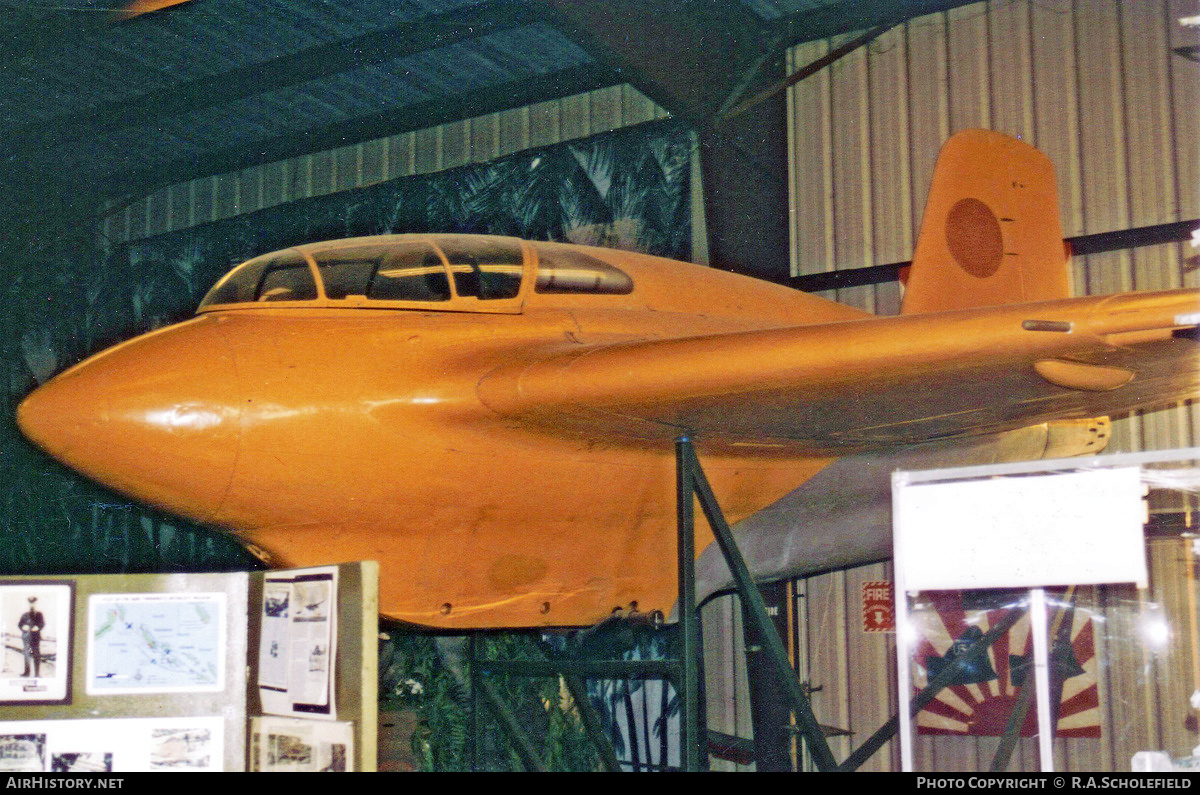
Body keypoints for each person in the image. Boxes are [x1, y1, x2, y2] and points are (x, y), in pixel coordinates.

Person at [19, 597, 44, 678]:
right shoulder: (24, 615)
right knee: (26, 654)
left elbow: (42, 623)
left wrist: (38, 627)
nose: (32, 605)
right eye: (30, 603)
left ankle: (37, 674)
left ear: (36, 604)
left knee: (36, 655)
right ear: (28, 604)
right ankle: (26, 673)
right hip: (26, 638)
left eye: (33, 603)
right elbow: (20, 624)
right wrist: (23, 627)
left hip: (35, 638)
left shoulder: (39, 614)